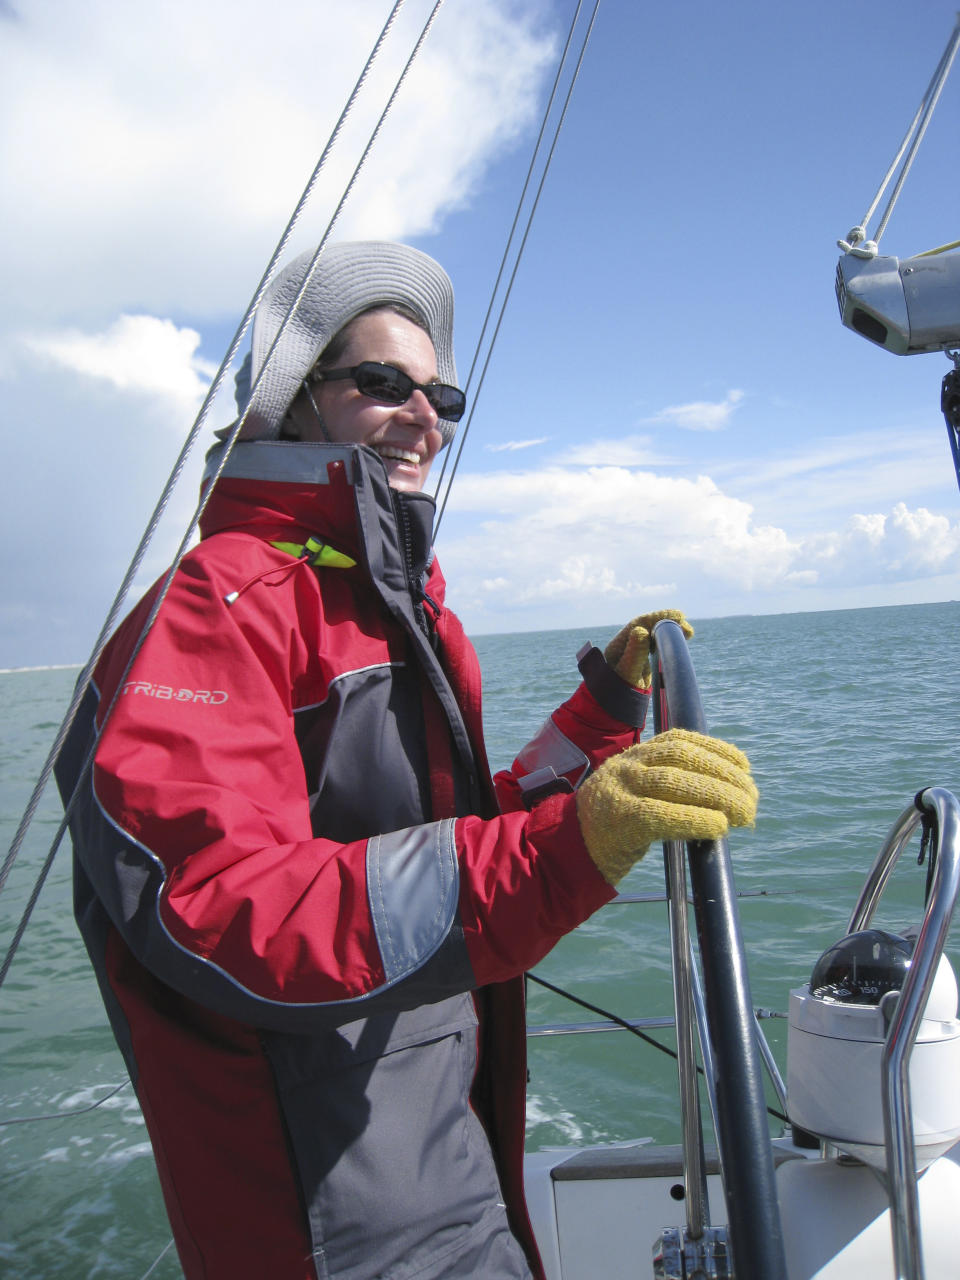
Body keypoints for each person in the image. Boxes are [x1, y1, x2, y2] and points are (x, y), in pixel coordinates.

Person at [56, 240, 757, 1280]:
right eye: (382, 383)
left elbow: (456, 832)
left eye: (441, 395)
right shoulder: (211, 608)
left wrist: (604, 719)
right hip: (328, 1226)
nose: (423, 417)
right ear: (300, 401)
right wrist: (565, 852)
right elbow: (219, 902)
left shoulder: (398, 608)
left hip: (446, 1160)